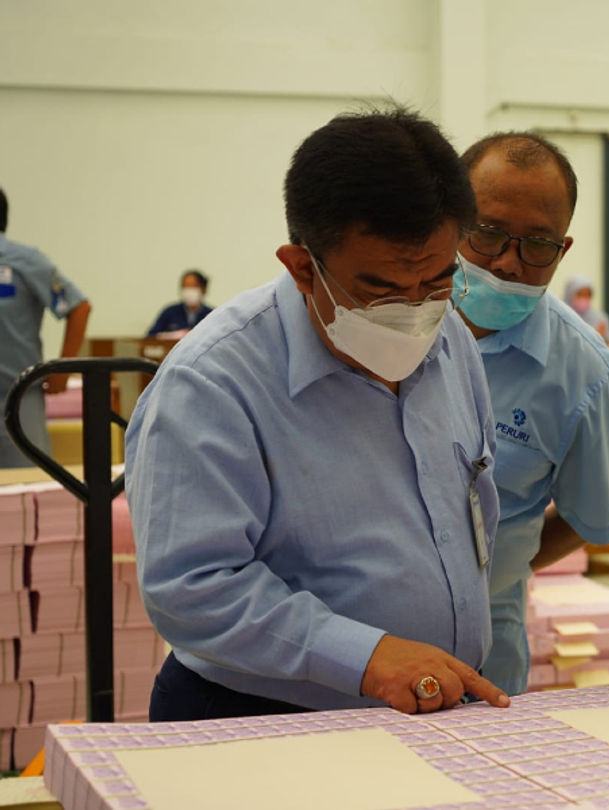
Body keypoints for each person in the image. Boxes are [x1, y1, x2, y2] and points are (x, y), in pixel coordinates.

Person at [125, 109, 510, 720]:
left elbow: (472, 510)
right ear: (303, 267)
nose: (414, 312)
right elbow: (192, 587)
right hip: (265, 716)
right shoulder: (213, 382)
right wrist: (366, 656)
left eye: (438, 282)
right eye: (381, 291)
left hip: (430, 707)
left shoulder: (451, 342)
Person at [452, 133, 609, 695]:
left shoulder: (586, 375)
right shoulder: (392, 318)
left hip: (481, 645)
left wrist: (495, 569)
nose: (508, 262)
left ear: (564, 247)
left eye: (537, 245)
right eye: (487, 233)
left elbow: (587, 517)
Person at [0, 186, 92, 468]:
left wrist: (62, 368)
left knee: (25, 484)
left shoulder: (24, 261)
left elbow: (78, 307)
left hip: (16, 395)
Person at [146, 270, 213, 336]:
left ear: (203, 289)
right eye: (185, 286)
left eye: (193, 286)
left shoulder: (211, 314)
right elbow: (151, 337)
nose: (189, 291)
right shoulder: (170, 312)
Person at [563, 275, 609, 343]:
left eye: (587, 295)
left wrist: (602, 338)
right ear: (569, 294)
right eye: (580, 294)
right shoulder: (561, 318)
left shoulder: (601, 319)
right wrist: (593, 336)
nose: (583, 298)